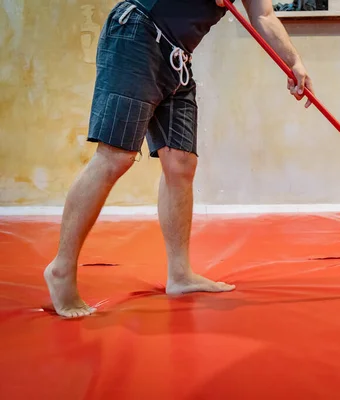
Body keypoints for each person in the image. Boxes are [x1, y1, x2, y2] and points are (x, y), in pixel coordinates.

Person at [44, 0, 314, 318]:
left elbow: (263, 15)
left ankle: (180, 274)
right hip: (137, 34)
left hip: (177, 57)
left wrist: (293, 62)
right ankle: (61, 268)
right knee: (115, 156)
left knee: (181, 162)